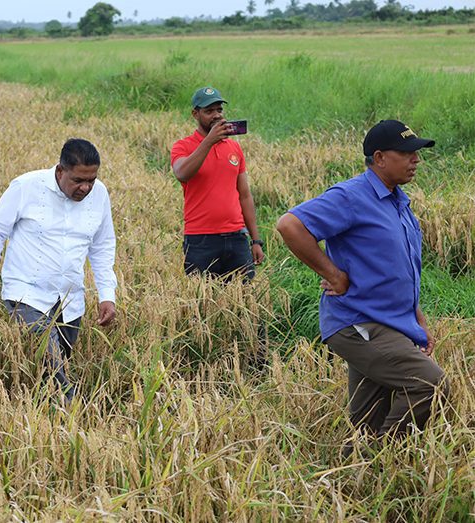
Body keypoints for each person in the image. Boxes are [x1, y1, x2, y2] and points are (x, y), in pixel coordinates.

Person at [276, 119, 448, 445]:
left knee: (368, 421)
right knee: (429, 384)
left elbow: (400, 270)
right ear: (380, 158)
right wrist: (333, 275)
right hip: (358, 322)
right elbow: (290, 225)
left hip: (388, 321)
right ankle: (386, 459)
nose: (416, 160)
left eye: (417, 153)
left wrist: (418, 319)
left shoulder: (399, 202)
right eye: (407, 153)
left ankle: (361, 471)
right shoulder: (351, 196)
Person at [0, 138, 117, 404]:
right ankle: (77, 412)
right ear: (60, 171)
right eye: (78, 180)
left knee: (51, 368)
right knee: (51, 363)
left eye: (92, 180)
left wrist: (107, 295)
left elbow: (102, 246)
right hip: (26, 294)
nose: (85, 187)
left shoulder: (99, 195)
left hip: (69, 300)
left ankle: (40, 420)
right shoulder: (26, 187)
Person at [171, 85, 264, 280]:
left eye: (219, 110)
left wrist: (256, 240)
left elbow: (244, 195)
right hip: (200, 240)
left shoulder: (234, 148)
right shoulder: (183, 146)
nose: (216, 115)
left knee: (243, 299)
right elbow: (181, 173)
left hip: (237, 237)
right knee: (201, 303)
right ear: (195, 114)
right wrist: (209, 141)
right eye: (209, 111)